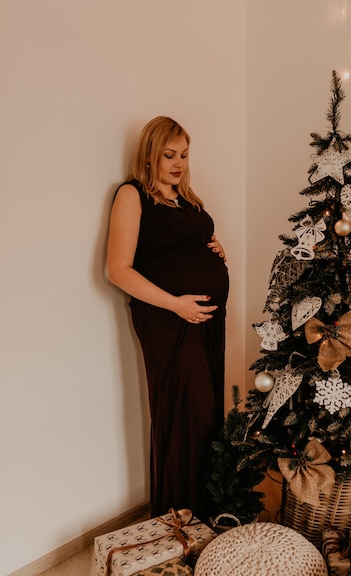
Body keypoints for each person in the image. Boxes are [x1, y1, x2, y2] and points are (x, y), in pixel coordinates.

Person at [107, 116, 229, 520]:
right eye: (169, 155)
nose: (178, 164)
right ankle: (180, 515)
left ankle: (209, 508)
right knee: (184, 413)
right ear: (150, 155)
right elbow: (118, 270)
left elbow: (189, 243)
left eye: (184, 155)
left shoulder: (187, 198)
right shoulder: (133, 195)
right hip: (168, 319)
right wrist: (177, 303)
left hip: (207, 319)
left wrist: (215, 251)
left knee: (208, 411)